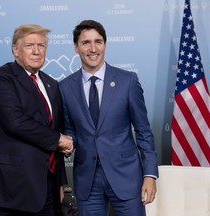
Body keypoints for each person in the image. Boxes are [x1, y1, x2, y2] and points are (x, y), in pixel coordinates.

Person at [59, 20, 158, 216]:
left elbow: (143, 131)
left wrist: (150, 175)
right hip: (87, 181)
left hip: (127, 177)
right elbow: (70, 129)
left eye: (98, 41)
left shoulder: (128, 81)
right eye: (86, 43)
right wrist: (68, 142)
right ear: (76, 47)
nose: (93, 49)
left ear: (105, 44)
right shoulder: (65, 87)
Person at [0, 24, 73, 216]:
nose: (36, 51)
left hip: (48, 190)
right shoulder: (0, 78)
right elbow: (15, 121)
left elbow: (55, 131)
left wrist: (61, 183)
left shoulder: (51, 84)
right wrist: (59, 139)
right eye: (29, 45)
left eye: (41, 46)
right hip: (9, 191)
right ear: (15, 50)